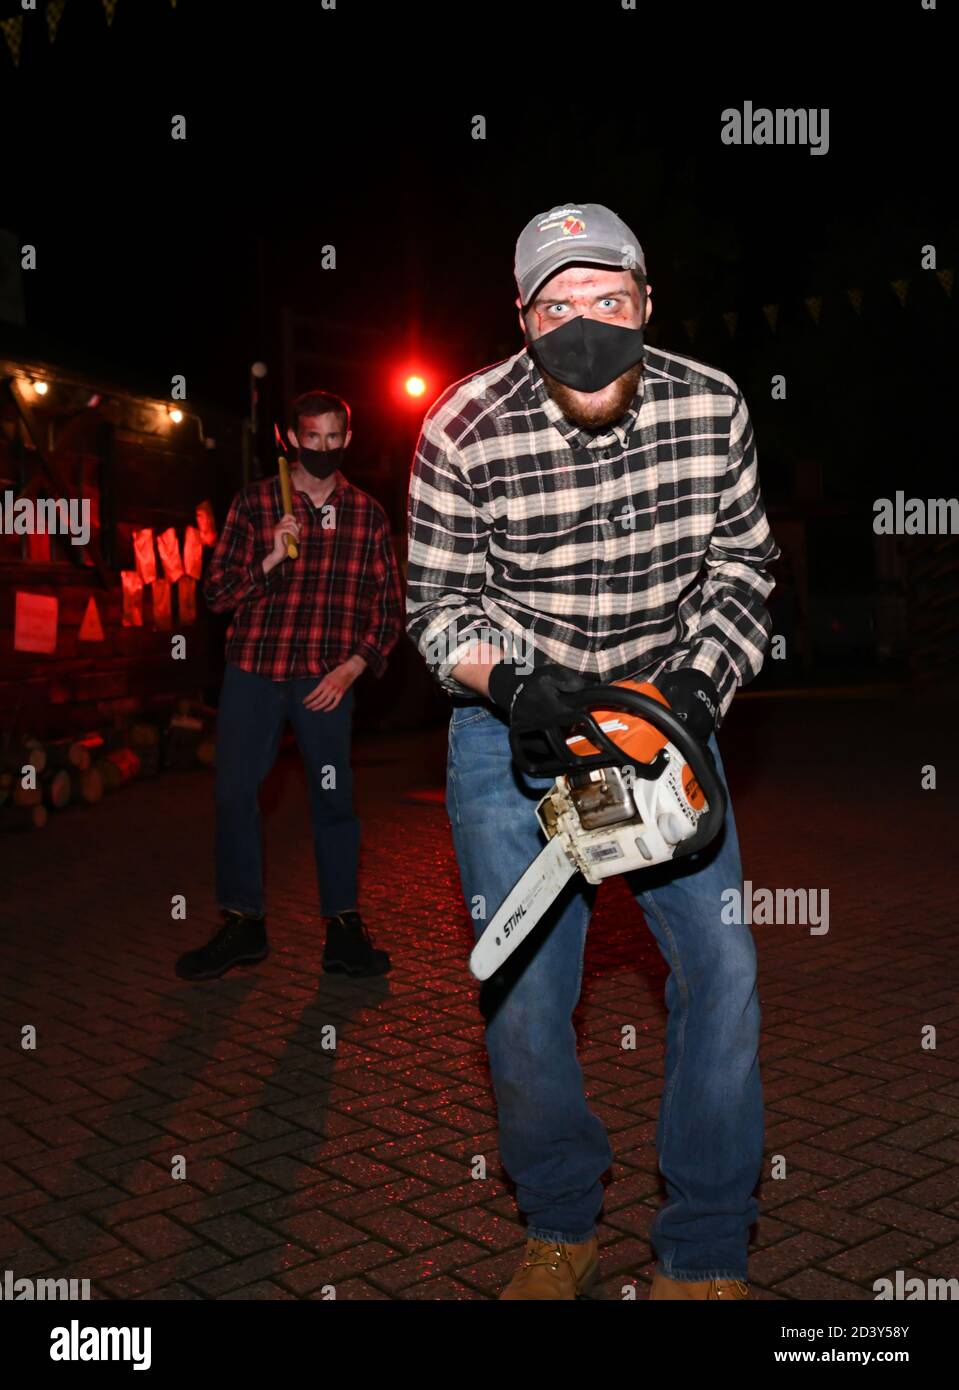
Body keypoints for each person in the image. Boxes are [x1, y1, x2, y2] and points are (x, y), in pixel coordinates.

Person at [406, 203, 781, 1300]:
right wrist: (509, 682)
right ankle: (560, 1224)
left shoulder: (710, 405)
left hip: (664, 718)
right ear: (521, 318)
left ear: (646, 301)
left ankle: (705, 1242)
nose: (585, 326)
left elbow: (742, 575)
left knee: (720, 973)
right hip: (513, 731)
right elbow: (435, 605)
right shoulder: (460, 425)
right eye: (557, 306)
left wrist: (693, 696)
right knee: (522, 991)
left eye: (606, 301)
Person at [177, 389, 402, 982]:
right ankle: (243, 923)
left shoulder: (368, 513)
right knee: (234, 796)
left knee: (334, 802)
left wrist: (352, 667)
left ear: (346, 439)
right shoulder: (256, 503)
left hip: (324, 680)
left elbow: (388, 610)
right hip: (254, 670)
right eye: (312, 438)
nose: (323, 448)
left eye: (334, 438)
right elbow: (217, 593)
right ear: (291, 439)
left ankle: (344, 930)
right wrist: (271, 558)